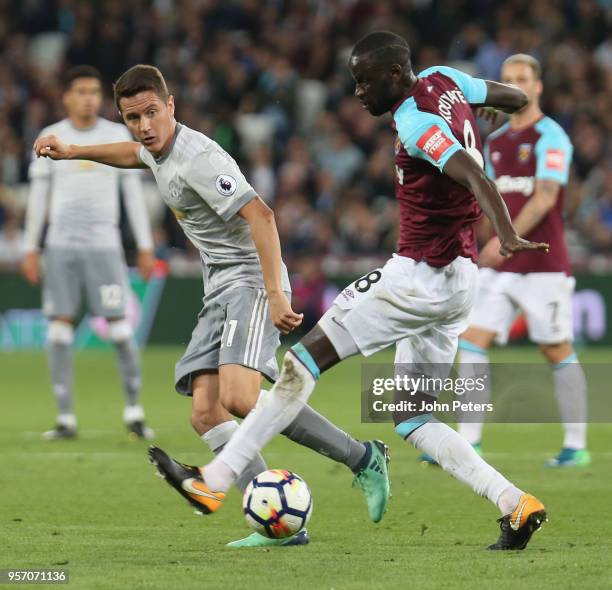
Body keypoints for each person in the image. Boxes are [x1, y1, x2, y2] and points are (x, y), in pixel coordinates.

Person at [152, 30, 554, 551]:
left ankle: (216, 480)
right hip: (460, 279)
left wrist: (504, 229)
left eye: (364, 82)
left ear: (394, 75)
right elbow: (515, 98)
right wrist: (500, 113)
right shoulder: (448, 80)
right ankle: (515, 503)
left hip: (418, 276)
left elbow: (471, 172)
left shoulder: (413, 120)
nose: (357, 93)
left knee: (301, 365)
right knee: (413, 416)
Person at [33, 64, 390, 548]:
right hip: (218, 286)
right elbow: (133, 153)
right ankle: (280, 528)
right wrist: (76, 150)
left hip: (250, 280)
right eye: (133, 117)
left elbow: (262, 215)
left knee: (242, 397)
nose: (144, 127)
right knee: (205, 413)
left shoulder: (199, 157)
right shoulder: (154, 146)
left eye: (152, 113)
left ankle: (362, 457)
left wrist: (275, 292)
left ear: (171, 105)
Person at [455, 54, 589, 468]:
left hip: (543, 266)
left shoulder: (552, 136)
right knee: (471, 340)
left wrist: (505, 239)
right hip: (502, 265)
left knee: (555, 348)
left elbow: (545, 197)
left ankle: (575, 445)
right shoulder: (497, 143)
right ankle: (468, 442)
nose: (516, 86)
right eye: (508, 80)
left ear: (538, 86)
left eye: (523, 79)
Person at [23, 66, 156, 441]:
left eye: (95, 92)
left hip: (104, 248)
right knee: (59, 332)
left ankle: (134, 411)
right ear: (66, 96)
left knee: (119, 329)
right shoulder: (52, 136)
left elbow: (132, 194)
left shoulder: (116, 136)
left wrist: (145, 246)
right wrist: (31, 248)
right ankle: (65, 418)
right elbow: (38, 198)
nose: (89, 98)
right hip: (61, 248)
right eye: (81, 91)